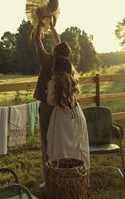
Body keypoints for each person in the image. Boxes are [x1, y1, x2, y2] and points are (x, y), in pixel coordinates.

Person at [33, 14, 71, 183]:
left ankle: (49, 178)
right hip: (62, 106)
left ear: (55, 50)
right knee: (60, 141)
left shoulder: (47, 61)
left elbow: (37, 41)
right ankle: (61, 173)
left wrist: (39, 26)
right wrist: (52, 28)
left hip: (47, 108)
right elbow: (60, 45)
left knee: (46, 142)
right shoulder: (65, 63)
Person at [46, 56, 90, 185]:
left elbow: (51, 101)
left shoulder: (54, 82)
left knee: (61, 146)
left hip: (61, 116)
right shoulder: (73, 79)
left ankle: (63, 180)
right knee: (79, 144)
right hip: (76, 113)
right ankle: (81, 178)